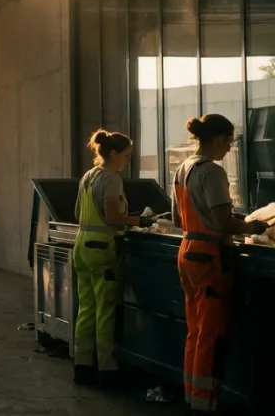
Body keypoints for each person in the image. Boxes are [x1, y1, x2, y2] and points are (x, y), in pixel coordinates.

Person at [173, 114, 269, 414]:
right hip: (209, 257)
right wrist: (254, 227)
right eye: (228, 141)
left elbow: (178, 219)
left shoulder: (183, 168)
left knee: (195, 329)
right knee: (211, 333)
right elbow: (222, 221)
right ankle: (204, 403)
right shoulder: (212, 171)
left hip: (187, 251)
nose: (229, 148)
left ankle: (191, 395)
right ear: (217, 139)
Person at [72, 129, 154, 387]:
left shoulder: (88, 176)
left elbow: (77, 212)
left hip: (81, 247)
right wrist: (140, 220)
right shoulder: (111, 179)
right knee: (105, 310)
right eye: (127, 156)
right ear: (114, 154)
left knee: (86, 308)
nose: (128, 161)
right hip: (101, 250)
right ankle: (107, 369)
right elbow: (112, 218)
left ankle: (82, 366)